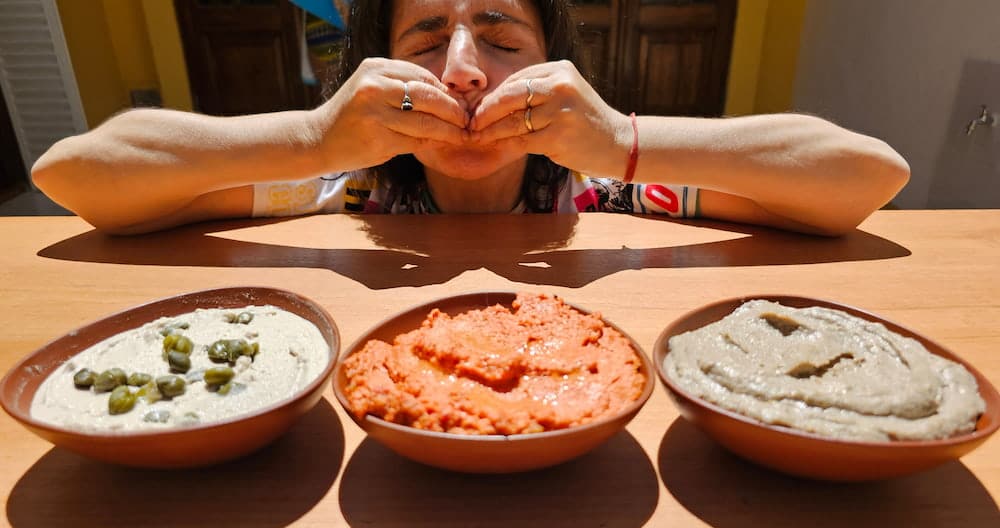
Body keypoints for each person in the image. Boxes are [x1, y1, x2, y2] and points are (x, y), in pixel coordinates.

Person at [31, 0, 910, 236]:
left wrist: (625, 141)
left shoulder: (614, 194)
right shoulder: (335, 191)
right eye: (423, 38)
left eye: (498, 35)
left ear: (555, 64)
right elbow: (72, 173)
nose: (459, 71)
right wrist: (309, 136)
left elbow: (870, 173)